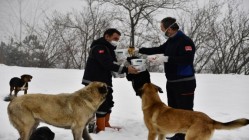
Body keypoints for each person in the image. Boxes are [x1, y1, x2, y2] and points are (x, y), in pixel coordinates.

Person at [138, 17, 196, 140]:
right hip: (172, 82)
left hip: (184, 82)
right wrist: (140, 50)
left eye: (162, 28)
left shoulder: (185, 41)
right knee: (173, 111)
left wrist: (167, 58)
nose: (161, 30)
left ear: (169, 28)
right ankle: (178, 135)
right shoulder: (171, 41)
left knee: (185, 111)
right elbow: (159, 49)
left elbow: (187, 60)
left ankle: (185, 136)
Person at [82, 28, 138, 133]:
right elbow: (107, 64)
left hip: (104, 81)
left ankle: (105, 124)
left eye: (118, 39)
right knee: (101, 104)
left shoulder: (108, 49)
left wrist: (127, 60)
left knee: (108, 102)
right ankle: (100, 128)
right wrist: (126, 69)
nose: (116, 41)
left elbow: (114, 63)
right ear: (107, 36)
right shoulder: (99, 48)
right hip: (94, 82)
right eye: (115, 38)